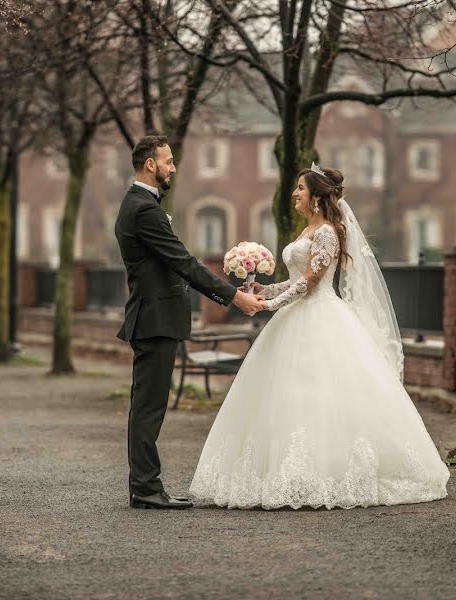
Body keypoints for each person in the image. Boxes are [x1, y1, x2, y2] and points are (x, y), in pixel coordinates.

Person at [189, 163, 451, 510]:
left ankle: (333, 471)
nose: (295, 193)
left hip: (320, 316)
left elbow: (311, 282)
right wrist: (264, 291)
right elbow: (295, 278)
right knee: (283, 395)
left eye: (300, 188)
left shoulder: (327, 231)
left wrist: (270, 305)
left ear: (315, 195)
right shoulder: (305, 231)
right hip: (294, 316)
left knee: (322, 394)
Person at [115, 134, 265, 510]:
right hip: (154, 319)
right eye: (167, 161)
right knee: (149, 408)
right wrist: (234, 297)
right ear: (150, 164)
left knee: (146, 405)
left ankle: (144, 485)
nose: (173, 167)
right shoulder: (144, 209)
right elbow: (183, 262)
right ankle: (146, 488)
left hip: (152, 317)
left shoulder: (139, 204)